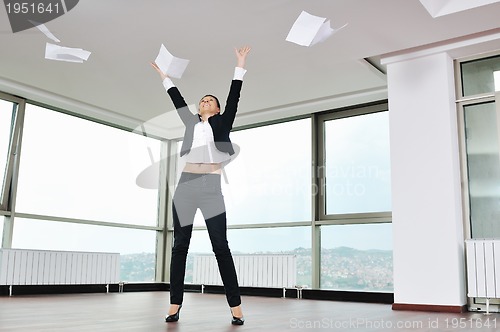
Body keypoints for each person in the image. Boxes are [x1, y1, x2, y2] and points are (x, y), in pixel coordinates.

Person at [151, 46, 251, 325]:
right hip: (185, 185)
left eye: (210, 100)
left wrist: (239, 65)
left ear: (217, 109)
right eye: (203, 100)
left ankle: (236, 307)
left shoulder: (222, 122)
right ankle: (174, 305)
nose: (205, 102)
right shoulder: (190, 123)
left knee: (221, 246)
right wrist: (165, 76)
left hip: (210, 186)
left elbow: (234, 96)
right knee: (180, 245)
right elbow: (177, 99)